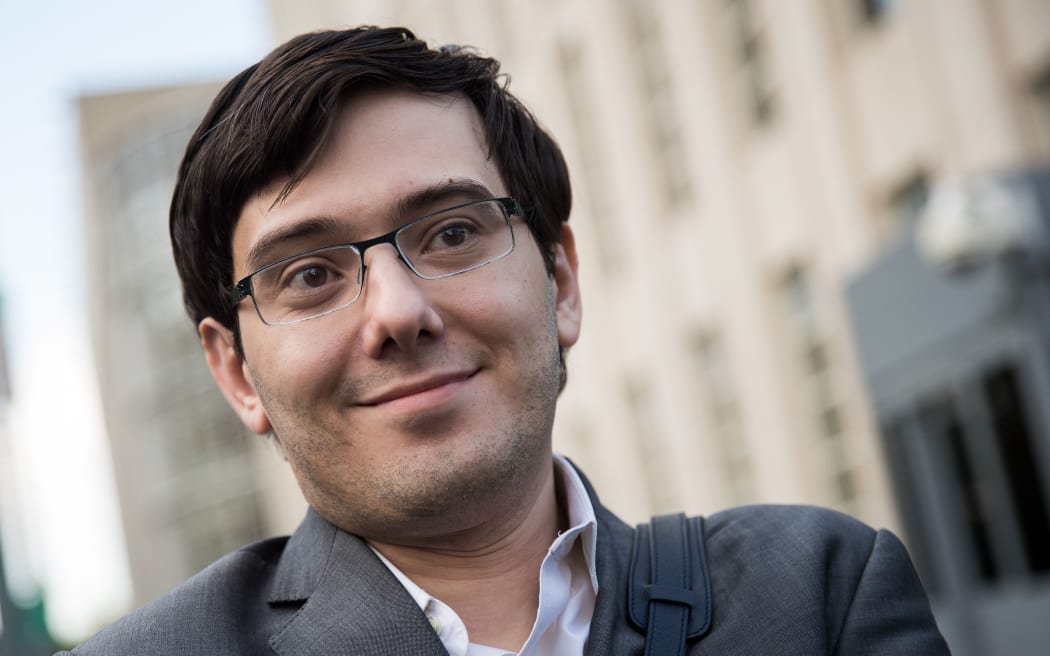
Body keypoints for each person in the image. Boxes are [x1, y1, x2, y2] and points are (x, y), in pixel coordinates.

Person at [62, 26, 949, 655]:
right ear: (236, 374)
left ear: (560, 282)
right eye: (310, 275)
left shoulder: (821, 594)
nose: (398, 313)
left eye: (451, 233)